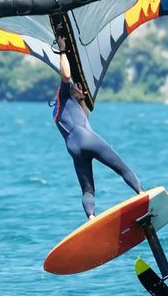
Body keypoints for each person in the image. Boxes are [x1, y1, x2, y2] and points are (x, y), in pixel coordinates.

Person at [52, 36, 143, 219]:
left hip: (74, 149)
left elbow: (83, 115)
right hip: (86, 138)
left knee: (87, 189)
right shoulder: (64, 94)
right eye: (79, 87)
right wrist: (62, 50)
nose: (81, 89)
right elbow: (66, 76)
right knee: (122, 168)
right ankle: (141, 193)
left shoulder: (61, 110)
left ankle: (91, 217)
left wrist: (81, 97)